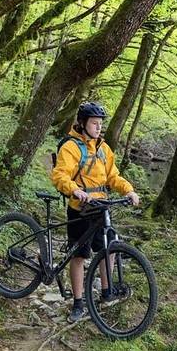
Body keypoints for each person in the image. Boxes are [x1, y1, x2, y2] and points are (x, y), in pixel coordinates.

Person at [51, 102, 140, 323]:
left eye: (100, 124)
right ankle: (78, 303)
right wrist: (76, 190)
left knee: (110, 248)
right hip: (80, 209)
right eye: (94, 123)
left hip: (101, 207)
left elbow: (113, 177)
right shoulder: (71, 147)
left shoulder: (103, 149)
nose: (98, 128)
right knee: (79, 255)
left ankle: (107, 293)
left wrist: (129, 190)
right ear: (83, 124)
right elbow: (60, 175)